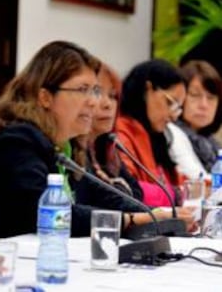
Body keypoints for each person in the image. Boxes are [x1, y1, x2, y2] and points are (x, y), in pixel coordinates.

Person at [0, 40, 103, 238]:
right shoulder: (16, 142)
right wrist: (123, 220)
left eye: (95, 91)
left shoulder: (68, 144)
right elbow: (40, 212)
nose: (93, 102)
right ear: (46, 97)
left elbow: (104, 197)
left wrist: (154, 214)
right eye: (83, 90)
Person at [72, 63, 195, 230]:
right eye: (170, 102)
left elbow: (132, 195)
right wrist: (160, 212)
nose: (108, 104)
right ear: (148, 90)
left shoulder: (109, 145)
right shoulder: (122, 133)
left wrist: (163, 216)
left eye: (114, 96)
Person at [116, 59, 186, 208]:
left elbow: (177, 183)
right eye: (170, 103)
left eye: (178, 108)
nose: (174, 116)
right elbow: (130, 189)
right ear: (148, 89)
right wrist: (176, 194)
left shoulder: (156, 136)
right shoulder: (120, 130)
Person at [167, 60, 222, 180]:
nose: (204, 105)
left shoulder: (213, 145)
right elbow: (199, 181)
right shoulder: (171, 134)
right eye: (195, 95)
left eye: (211, 98)